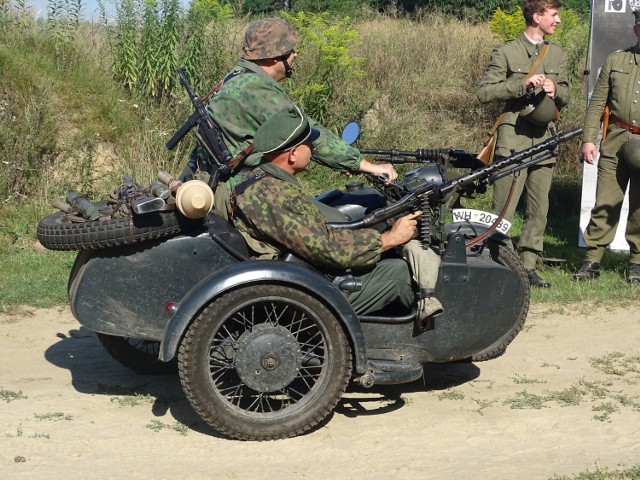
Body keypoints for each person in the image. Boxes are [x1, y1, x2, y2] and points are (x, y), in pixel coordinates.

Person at [232, 104, 443, 317]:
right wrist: (389, 239)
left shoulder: (257, 177)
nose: (313, 149)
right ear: (293, 154)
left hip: (295, 275)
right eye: (308, 145)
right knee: (399, 273)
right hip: (309, 290)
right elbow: (330, 249)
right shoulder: (277, 194)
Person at [185, 17, 396, 217]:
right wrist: (365, 165)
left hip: (224, 189)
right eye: (289, 50)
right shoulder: (257, 91)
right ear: (274, 55)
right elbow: (307, 133)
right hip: (249, 194)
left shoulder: (234, 79)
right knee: (340, 226)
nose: (295, 54)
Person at [476, 0, 569, 288]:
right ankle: (499, 262)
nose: (558, 21)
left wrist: (557, 90)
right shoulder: (506, 51)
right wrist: (522, 84)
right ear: (537, 16)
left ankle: (528, 265)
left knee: (538, 208)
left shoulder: (559, 54)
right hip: (513, 139)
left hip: (544, 138)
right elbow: (484, 92)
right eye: (554, 15)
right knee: (503, 206)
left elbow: (566, 93)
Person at [573, 10, 640, 284]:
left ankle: (637, 264)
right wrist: (589, 138)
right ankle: (592, 260)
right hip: (615, 142)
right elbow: (597, 103)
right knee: (604, 203)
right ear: (636, 31)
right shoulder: (616, 59)